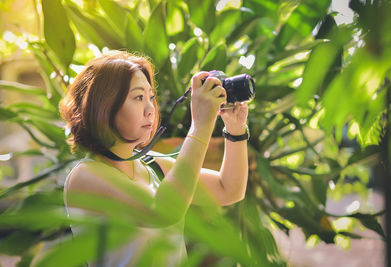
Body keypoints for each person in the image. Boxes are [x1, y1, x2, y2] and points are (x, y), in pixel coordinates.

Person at [59, 50, 249, 266]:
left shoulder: (154, 165)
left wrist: (235, 130)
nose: (150, 109)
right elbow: (163, 212)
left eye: (151, 97)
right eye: (138, 97)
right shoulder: (86, 176)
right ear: (103, 106)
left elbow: (229, 189)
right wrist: (200, 126)